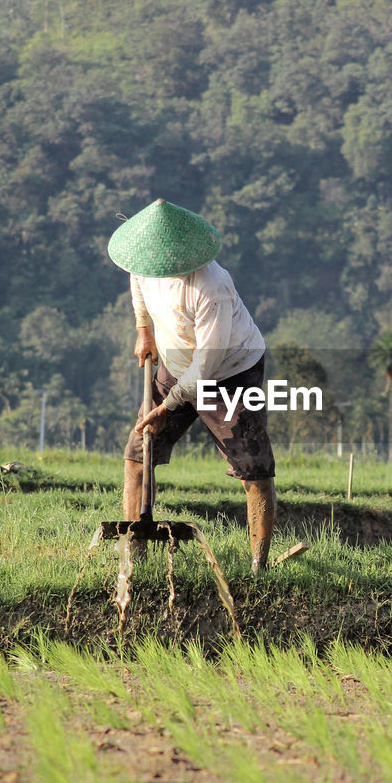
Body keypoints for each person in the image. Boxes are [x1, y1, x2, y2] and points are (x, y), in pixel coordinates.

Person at [107, 199, 277, 573]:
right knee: (138, 456)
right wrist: (144, 330)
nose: (153, 269)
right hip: (175, 363)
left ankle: (258, 566)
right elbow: (138, 283)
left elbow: (207, 364)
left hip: (229, 372)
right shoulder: (144, 263)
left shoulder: (210, 285)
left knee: (254, 471)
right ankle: (137, 555)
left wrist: (166, 408)